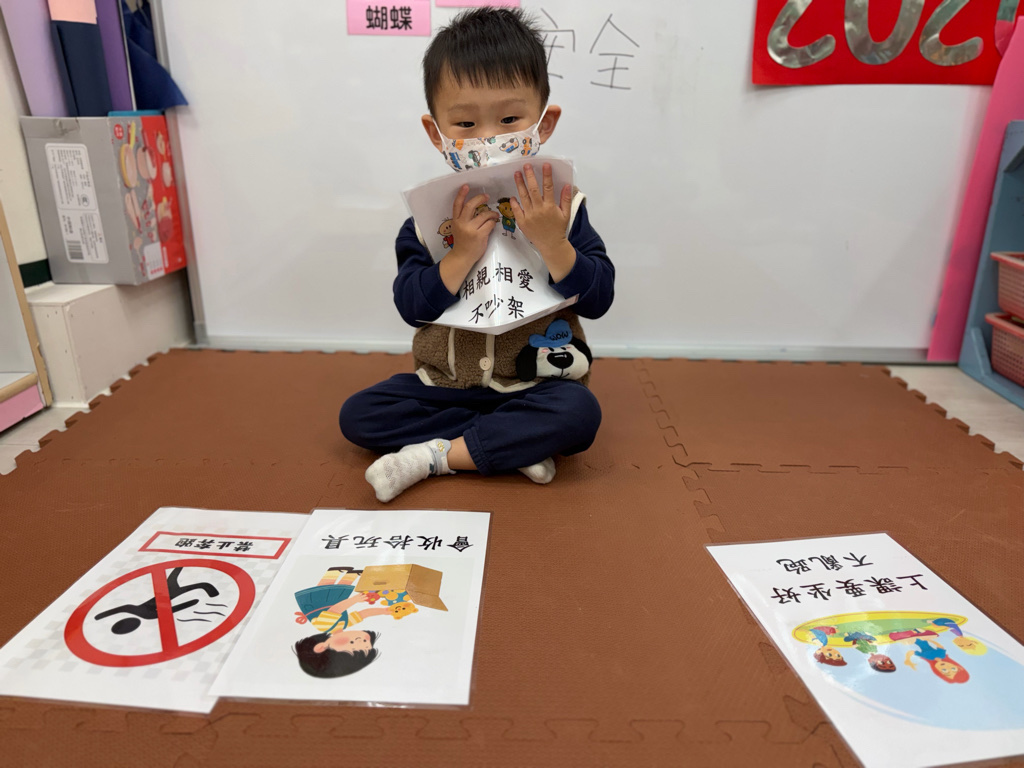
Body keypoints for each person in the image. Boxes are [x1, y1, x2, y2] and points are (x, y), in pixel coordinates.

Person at [340, 8, 614, 502]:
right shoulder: (427, 219)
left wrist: (554, 243)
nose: (487, 138)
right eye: (465, 123)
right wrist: (459, 254)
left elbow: (599, 299)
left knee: (578, 414)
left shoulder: (565, 207)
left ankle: (437, 456)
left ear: (544, 123)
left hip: (536, 386)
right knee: (359, 415)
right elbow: (411, 307)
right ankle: (507, 443)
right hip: (444, 386)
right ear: (436, 133)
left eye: (509, 119)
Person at [293, 567, 417, 678]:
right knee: (340, 591)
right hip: (336, 600)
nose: (360, 639)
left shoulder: (323, 626)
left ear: (321, 647)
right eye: (366, 643)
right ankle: (350, 575)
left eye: (352, 643)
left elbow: (335, 609)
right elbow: (364, 614)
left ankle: (333, 572)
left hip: (317, 602)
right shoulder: (345, 624)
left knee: (325, 588)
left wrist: (354, 600)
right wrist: (384, 611)